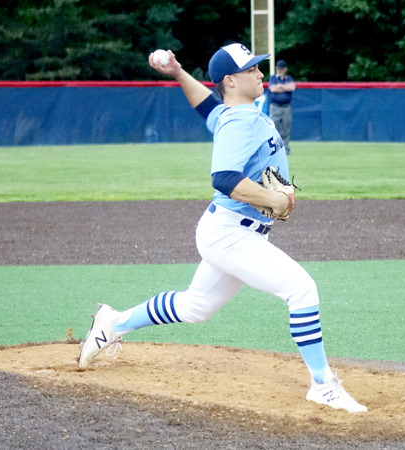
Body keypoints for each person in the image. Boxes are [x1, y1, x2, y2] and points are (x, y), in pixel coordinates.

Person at [77, 44, 367, 413]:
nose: (261, 74)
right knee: (302, 289)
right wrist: (272, 199)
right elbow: (224, 178)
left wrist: (179, 73)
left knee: (196, 306)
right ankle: (323, 384)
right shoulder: (239, 121)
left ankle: (114, 323)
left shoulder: (236, 113)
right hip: (230, 233)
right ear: (230, 80)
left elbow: (207, 107)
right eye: (252, 70)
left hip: (229, 231)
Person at [268, 59, 296, 155]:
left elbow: (292, 87)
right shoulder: (273, 78)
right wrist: (285, 88)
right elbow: (273, 89)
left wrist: (280, 86)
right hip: (275, 107)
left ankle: (286, 149)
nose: (279, 70)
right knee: (273, 128)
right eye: (278, 69)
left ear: (285, 69)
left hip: (286, 107)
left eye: (281, 69)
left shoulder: (289, 78)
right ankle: (274, 149)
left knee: (286, 128)